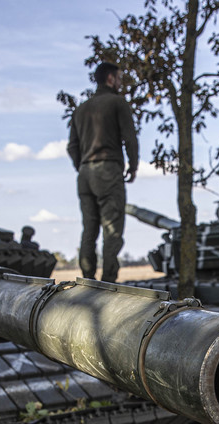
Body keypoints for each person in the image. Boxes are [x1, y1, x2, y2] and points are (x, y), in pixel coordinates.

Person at [66, 61, 138, 282]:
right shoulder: (117, 103)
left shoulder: (80, 110)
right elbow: (129, 138)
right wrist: (132, 166)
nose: (120, 82)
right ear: (110, 78)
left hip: (85, 174)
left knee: (89, 229)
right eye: (119, 78)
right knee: (112, 229)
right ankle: (108, 283)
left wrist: (82, 166)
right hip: (108, 169)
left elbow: (72, 146)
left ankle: (87, 279)